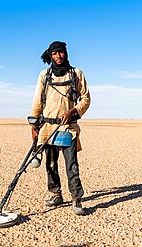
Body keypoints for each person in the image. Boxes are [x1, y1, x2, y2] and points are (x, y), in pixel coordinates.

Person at [30, 41, 91, 215]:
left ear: (66, 53)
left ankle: (76, 198)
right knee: (50, 164)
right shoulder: (44, 75)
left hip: (67, 128)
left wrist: (73, 111)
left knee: (71, 165)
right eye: (54, 53)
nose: (58, 56)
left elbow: (86, 99)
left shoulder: (76, 73)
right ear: (50, 55)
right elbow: (37, 101)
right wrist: (34, 126)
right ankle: (56, 194)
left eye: (61, 53)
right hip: (48, 127)